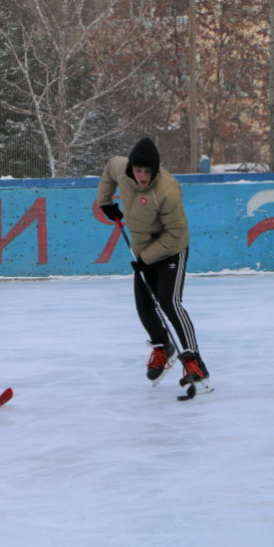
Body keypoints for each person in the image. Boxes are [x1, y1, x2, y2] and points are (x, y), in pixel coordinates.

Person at [97, 137, 212, 398]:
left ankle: (195, 362)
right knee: (144, 304)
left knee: (169, 302)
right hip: (144, 250)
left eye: (148, 171)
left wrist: (146, 257)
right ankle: (163, 346)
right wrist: (105, 202)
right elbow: (108, 169)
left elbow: (176, 233)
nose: (143, 176)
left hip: (172, 249)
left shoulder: (168, 191)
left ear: (156, 169)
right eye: (139, 170)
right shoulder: (121, 168)